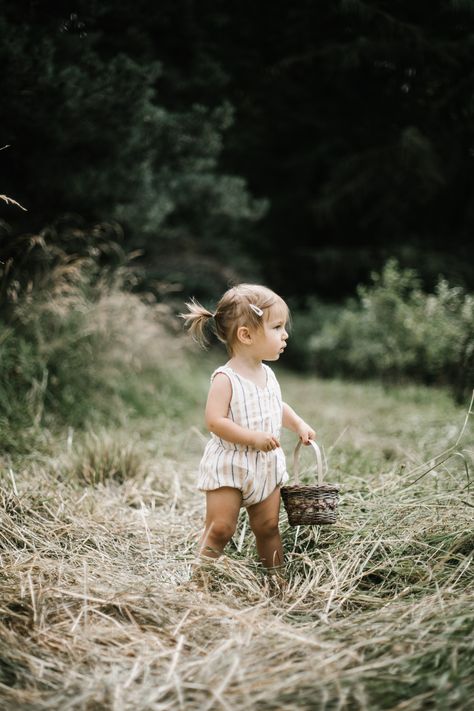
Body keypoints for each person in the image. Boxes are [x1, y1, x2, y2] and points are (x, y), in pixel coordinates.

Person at [181, 284, 315, 586]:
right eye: (277, 327)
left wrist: (299, 425)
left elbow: (275, 405)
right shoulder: (225, 378)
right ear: (246, 335)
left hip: (265, 465)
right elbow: (214, 421)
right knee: (221, 528)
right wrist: (252, 438)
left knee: (268, 527)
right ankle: (199, 580)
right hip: (231, 465)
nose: (285, 335)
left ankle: (276, 580)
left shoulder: (267, 374)